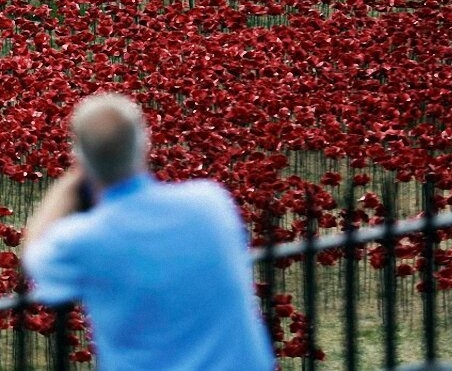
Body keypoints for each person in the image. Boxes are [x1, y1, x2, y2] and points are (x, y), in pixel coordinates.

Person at [21, 92, 275, 371]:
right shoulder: (212, 203)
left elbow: (32, 254)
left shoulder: (84, 241)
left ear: (80, 160)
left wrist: (70, 184)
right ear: (145, 145)